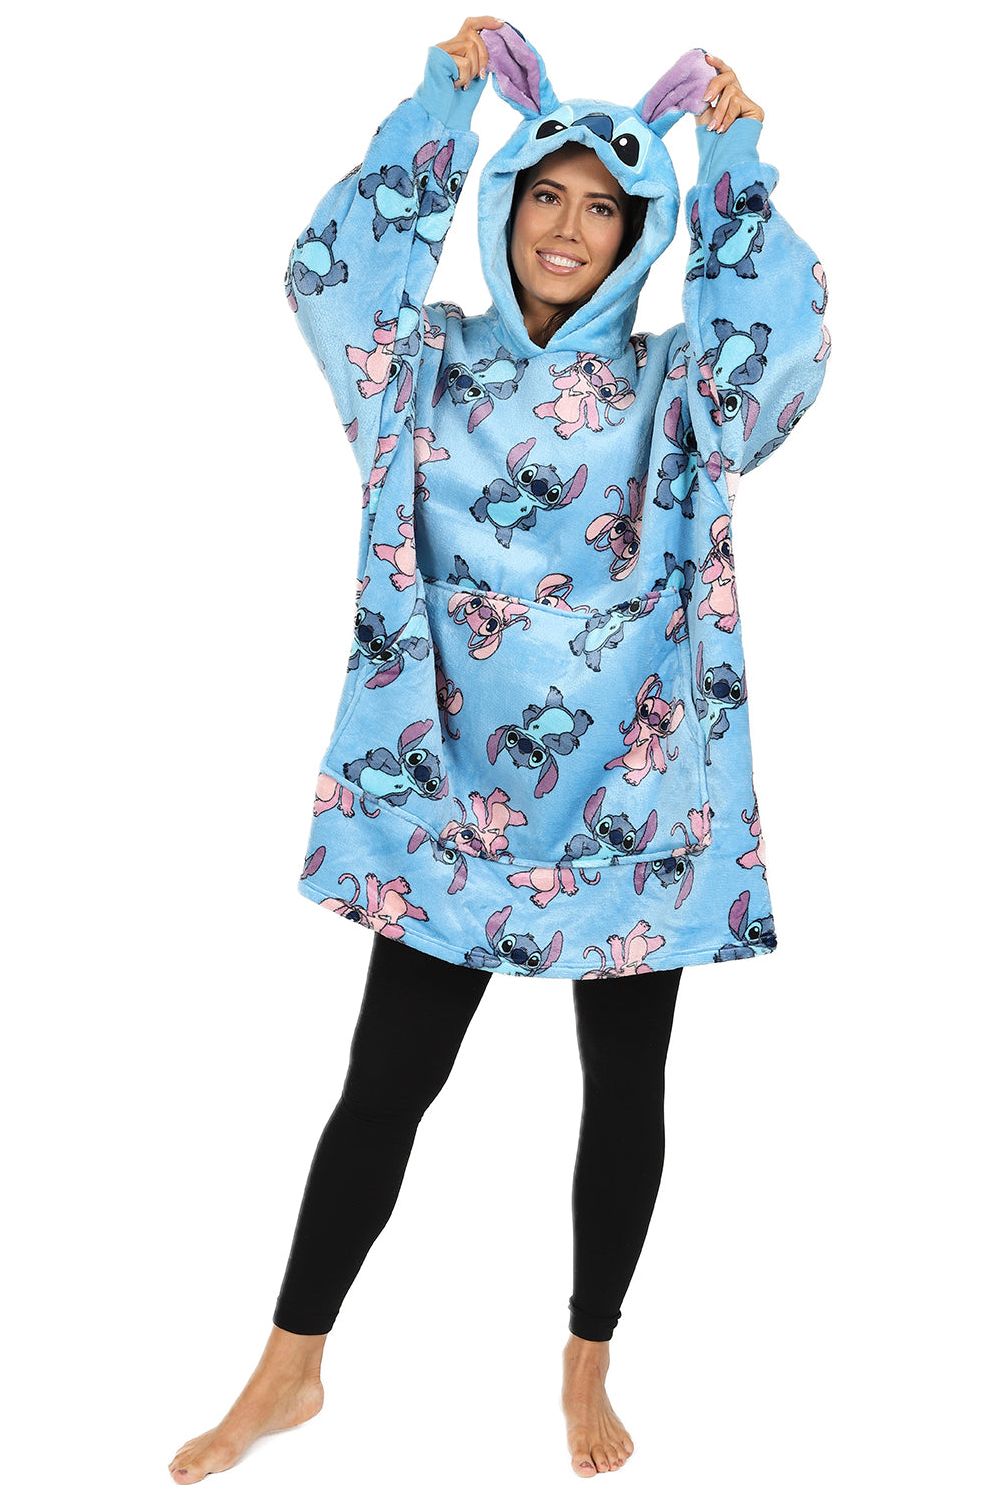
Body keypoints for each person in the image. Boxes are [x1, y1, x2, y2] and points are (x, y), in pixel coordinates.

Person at [169, 15, 829, 1484]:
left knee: (627, 1090)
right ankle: (289, 1367)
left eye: (604, 206)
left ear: (638, 235)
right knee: (386, 1082)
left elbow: (776, 344)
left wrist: (734, 162)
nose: (568, 228)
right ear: (504, 204)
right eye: (546, 194)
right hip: (448, 791)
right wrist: (439, 108)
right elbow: (330, 273)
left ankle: (587, 1360)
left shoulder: (681, 397)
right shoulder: (416, 372)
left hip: (637, 790)